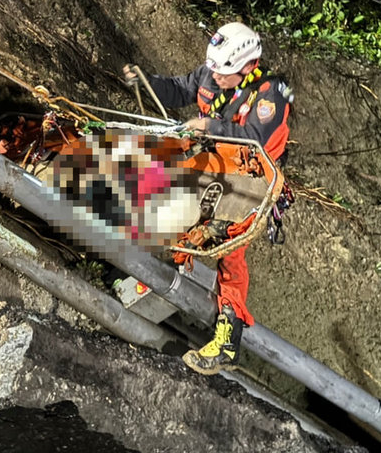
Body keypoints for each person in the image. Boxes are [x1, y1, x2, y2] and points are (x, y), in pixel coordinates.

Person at [123, 21, 292, 375]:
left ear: (248, 66)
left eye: (224, 72)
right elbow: (177, 89)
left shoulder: (270, 94)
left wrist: (210, 127)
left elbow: (256, 140)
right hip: (208, 169)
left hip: (248, 187)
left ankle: (227, 342)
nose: (215, 78)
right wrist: (145, 82)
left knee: (228, 252)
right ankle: (151, 271)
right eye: (212, 69)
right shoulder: (212, 73)